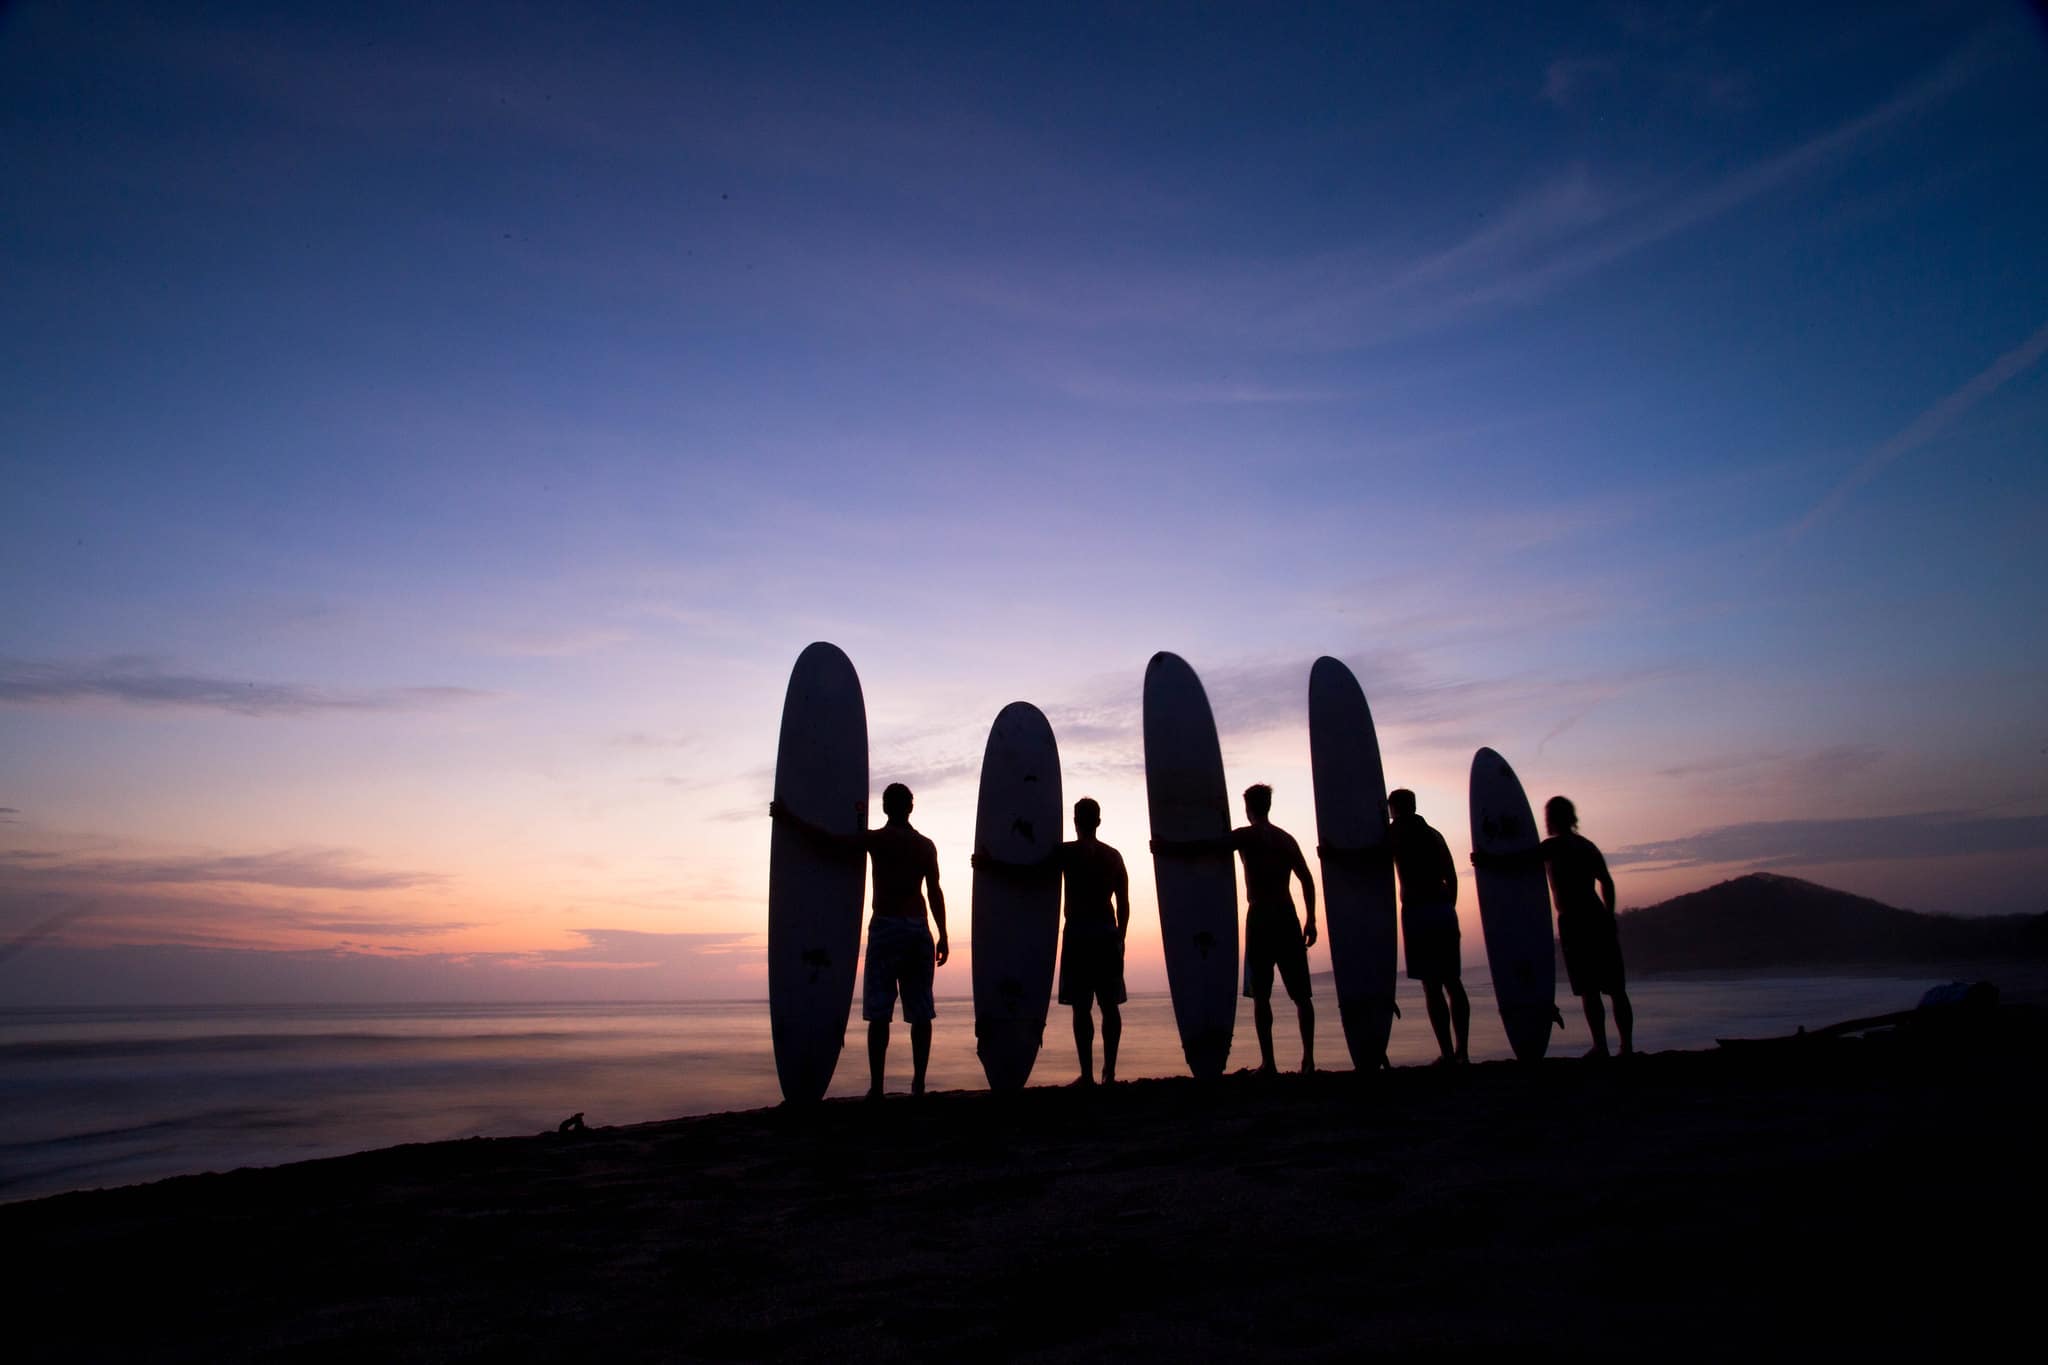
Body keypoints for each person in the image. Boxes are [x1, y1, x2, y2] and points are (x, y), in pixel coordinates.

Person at [772, 781, 949, 1096]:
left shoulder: (878, 840)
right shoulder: (926, 845)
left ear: (884, 807)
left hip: (887, 927)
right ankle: (919, 1084)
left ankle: (877, 1088)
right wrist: (943, 934)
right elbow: (934, 891)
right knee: (920, 1011)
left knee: (880, 1013)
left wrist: (789, 819)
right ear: (911, 807)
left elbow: (829, 843)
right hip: (919, 930)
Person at [1156, 783, 1318, 1073]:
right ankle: (1308, 1060)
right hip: (1287, 914)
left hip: (1261, 916)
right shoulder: (1286, 839)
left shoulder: (1247, 836)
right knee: (1301, 995)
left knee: (1261, 993)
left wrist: (1168, 849)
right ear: (1268, 805)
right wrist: (1312, 919)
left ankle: (1269, 1062)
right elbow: (1306, 878)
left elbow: (1207, 847)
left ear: (1248, 808)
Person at [1539, 796, 1632, 1057]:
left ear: (1552, 819)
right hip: (1598, 918)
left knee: (1590, 989)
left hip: (1575, 922)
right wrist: (1609, 915)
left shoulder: (1552, 847)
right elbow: (1607, 882)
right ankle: (1626, 1046)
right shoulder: (1586, 846)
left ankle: (1601, 1046)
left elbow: (1519, 862)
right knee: (1615, 989)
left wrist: (1487, 860)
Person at [1387, 788, 1469, 1065]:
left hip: (1419, 912)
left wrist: (1333, 852)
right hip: (1444, 909)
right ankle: (1463, 1052)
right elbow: (1452, 876)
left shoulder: (1396, 831)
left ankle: (1447, 1052)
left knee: (1431, 985)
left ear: (1394, 808)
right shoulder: (1434, 834)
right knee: (1452, 982)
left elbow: (1368, 856)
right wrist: (1450, 908)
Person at [1058, 798, 1131, 1086]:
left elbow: (1031, 871)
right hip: (1106, 933)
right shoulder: (1113, 856)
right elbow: (1124, 904)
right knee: (1109, 1005)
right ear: (1098, 821)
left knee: (1081, 1007)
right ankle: (1109, 1072)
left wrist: (992, 864)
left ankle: (1087, 1074)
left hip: (1078, 934)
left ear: (1075, 821)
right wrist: (1121, 937)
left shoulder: (1067, 853)